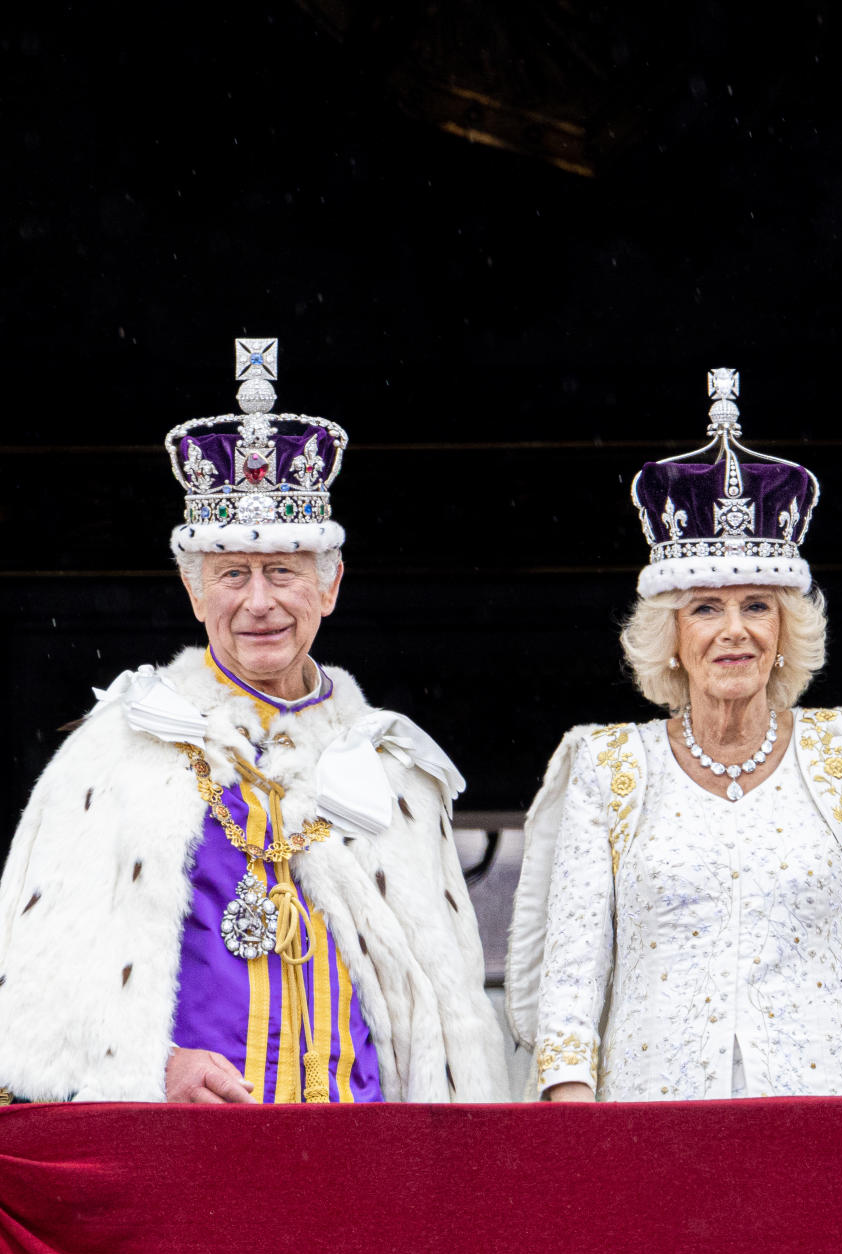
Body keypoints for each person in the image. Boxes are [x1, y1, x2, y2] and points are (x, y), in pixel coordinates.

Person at [0, 338, 508, 1105]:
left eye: (283, 571)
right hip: (186, 1158)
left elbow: (448, 1019)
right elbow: (37, 1003)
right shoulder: (113, 754)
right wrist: (150, 1068)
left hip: (361, 1160)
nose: (259, 601)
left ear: (330, 585)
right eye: (232, 574)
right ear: (195, 591)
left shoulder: (398, 772)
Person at [506, 368, 842, 1102]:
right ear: (670, 633)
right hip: (655, 1135)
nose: (734, 631)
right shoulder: (608, 765)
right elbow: (571, 980)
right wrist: (577, 1135)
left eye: (757, 606)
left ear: (784, 629)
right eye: (706, 607)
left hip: (830, 1124)